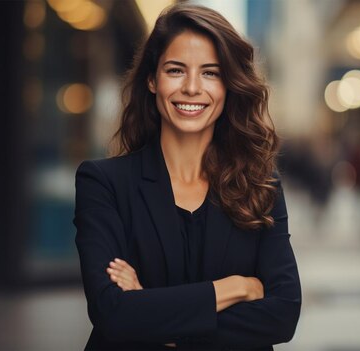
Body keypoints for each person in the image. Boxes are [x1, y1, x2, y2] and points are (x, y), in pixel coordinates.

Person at [74, 4, 301, 350]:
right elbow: (113, 313)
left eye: (210, 73)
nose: (192, 88)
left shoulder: (260, 186)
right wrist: (238, 288)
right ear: (152, 80)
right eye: (176, 70)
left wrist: (153, 316)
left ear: (229, 86)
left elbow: (283, 315)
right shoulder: (103, 183)